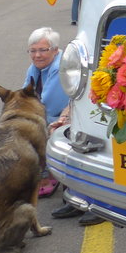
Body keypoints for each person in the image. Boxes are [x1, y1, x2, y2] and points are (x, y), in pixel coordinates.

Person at [23, 27, 102, 226]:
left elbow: (48, 103)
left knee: (74, 148)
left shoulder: (60, 68)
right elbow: (26, 96)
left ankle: (98, 205)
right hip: (57, 118)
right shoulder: (35, 68)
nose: (37, 55)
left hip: (74, 117)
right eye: (33, 50)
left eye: (43, 50)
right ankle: (74, 197)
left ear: (56, 50)